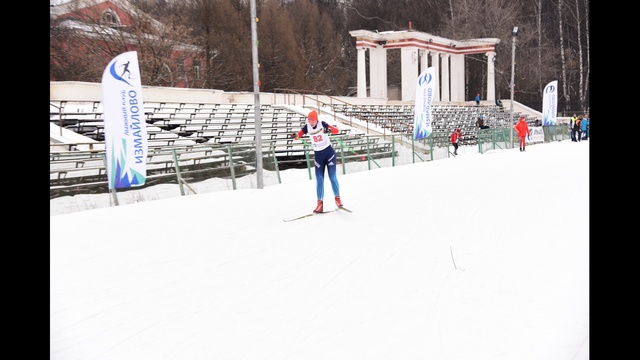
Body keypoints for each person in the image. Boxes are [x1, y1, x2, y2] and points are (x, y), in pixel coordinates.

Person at [291, 110, 343, 213]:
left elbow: (336, 131)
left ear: (316, 119)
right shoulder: (307, 127)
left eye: (312, 120)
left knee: (332, 177)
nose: (311, 122)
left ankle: (337, 199)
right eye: (309, 120)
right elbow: (300, 134)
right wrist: (296, 136)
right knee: (319, 179)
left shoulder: (322, 124)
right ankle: (320, 204)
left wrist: (329, 130)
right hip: (318, 156)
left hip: (329, 154)